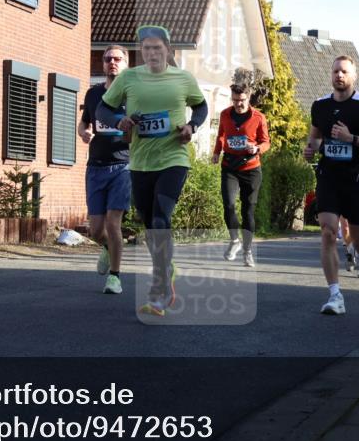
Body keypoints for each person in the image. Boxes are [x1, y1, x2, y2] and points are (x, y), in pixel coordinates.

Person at [96, 25, 208, 318]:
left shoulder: (183, 78)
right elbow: (102, 111)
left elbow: (201, 107)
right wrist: (121, 120)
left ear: (168, 51)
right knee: (149, 224)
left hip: (174, 158)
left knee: (160, 217)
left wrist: (191, 126)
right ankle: (166, 265)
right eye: (146, 48)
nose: (151, 53)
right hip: (141, 162)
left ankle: (160, 289)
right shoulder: (129, 78)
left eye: (157, 48)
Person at [303, 55, 359, 315]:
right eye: (336, 72)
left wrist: (351, 138)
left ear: (353, 77)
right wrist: (310, 150)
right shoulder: (320, 106)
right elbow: (315, 139)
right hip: (329, 177)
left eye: (344, 72)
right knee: (328, 232)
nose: (339, 75)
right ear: (330, 75)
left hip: (357, 181)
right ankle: (335, 295)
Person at [78, 45, 131, 294]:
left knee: (113, 223)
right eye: (108, 58)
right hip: (96, 166)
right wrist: (84, 132)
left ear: (126, 64)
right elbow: (84, 122)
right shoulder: (93, 94)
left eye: (118, 59)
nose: (112, 62)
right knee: (96, 230)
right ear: (102, 64)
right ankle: (108, 248)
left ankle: (115, 277)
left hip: (124, 165)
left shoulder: (133, 95)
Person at [212, 82, 270, 267]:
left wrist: (257, 148)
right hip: (229, 166)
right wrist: (216, 152)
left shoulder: (259, 117)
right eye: (235, 100)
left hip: (251, 168)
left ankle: (247, 251)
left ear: (249, 97)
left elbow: (266, 142)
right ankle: (234, 241)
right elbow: (221, 135)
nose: (238, 104)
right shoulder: (225, 114)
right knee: (228, 204)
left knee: (248, 210)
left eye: (242, 100)